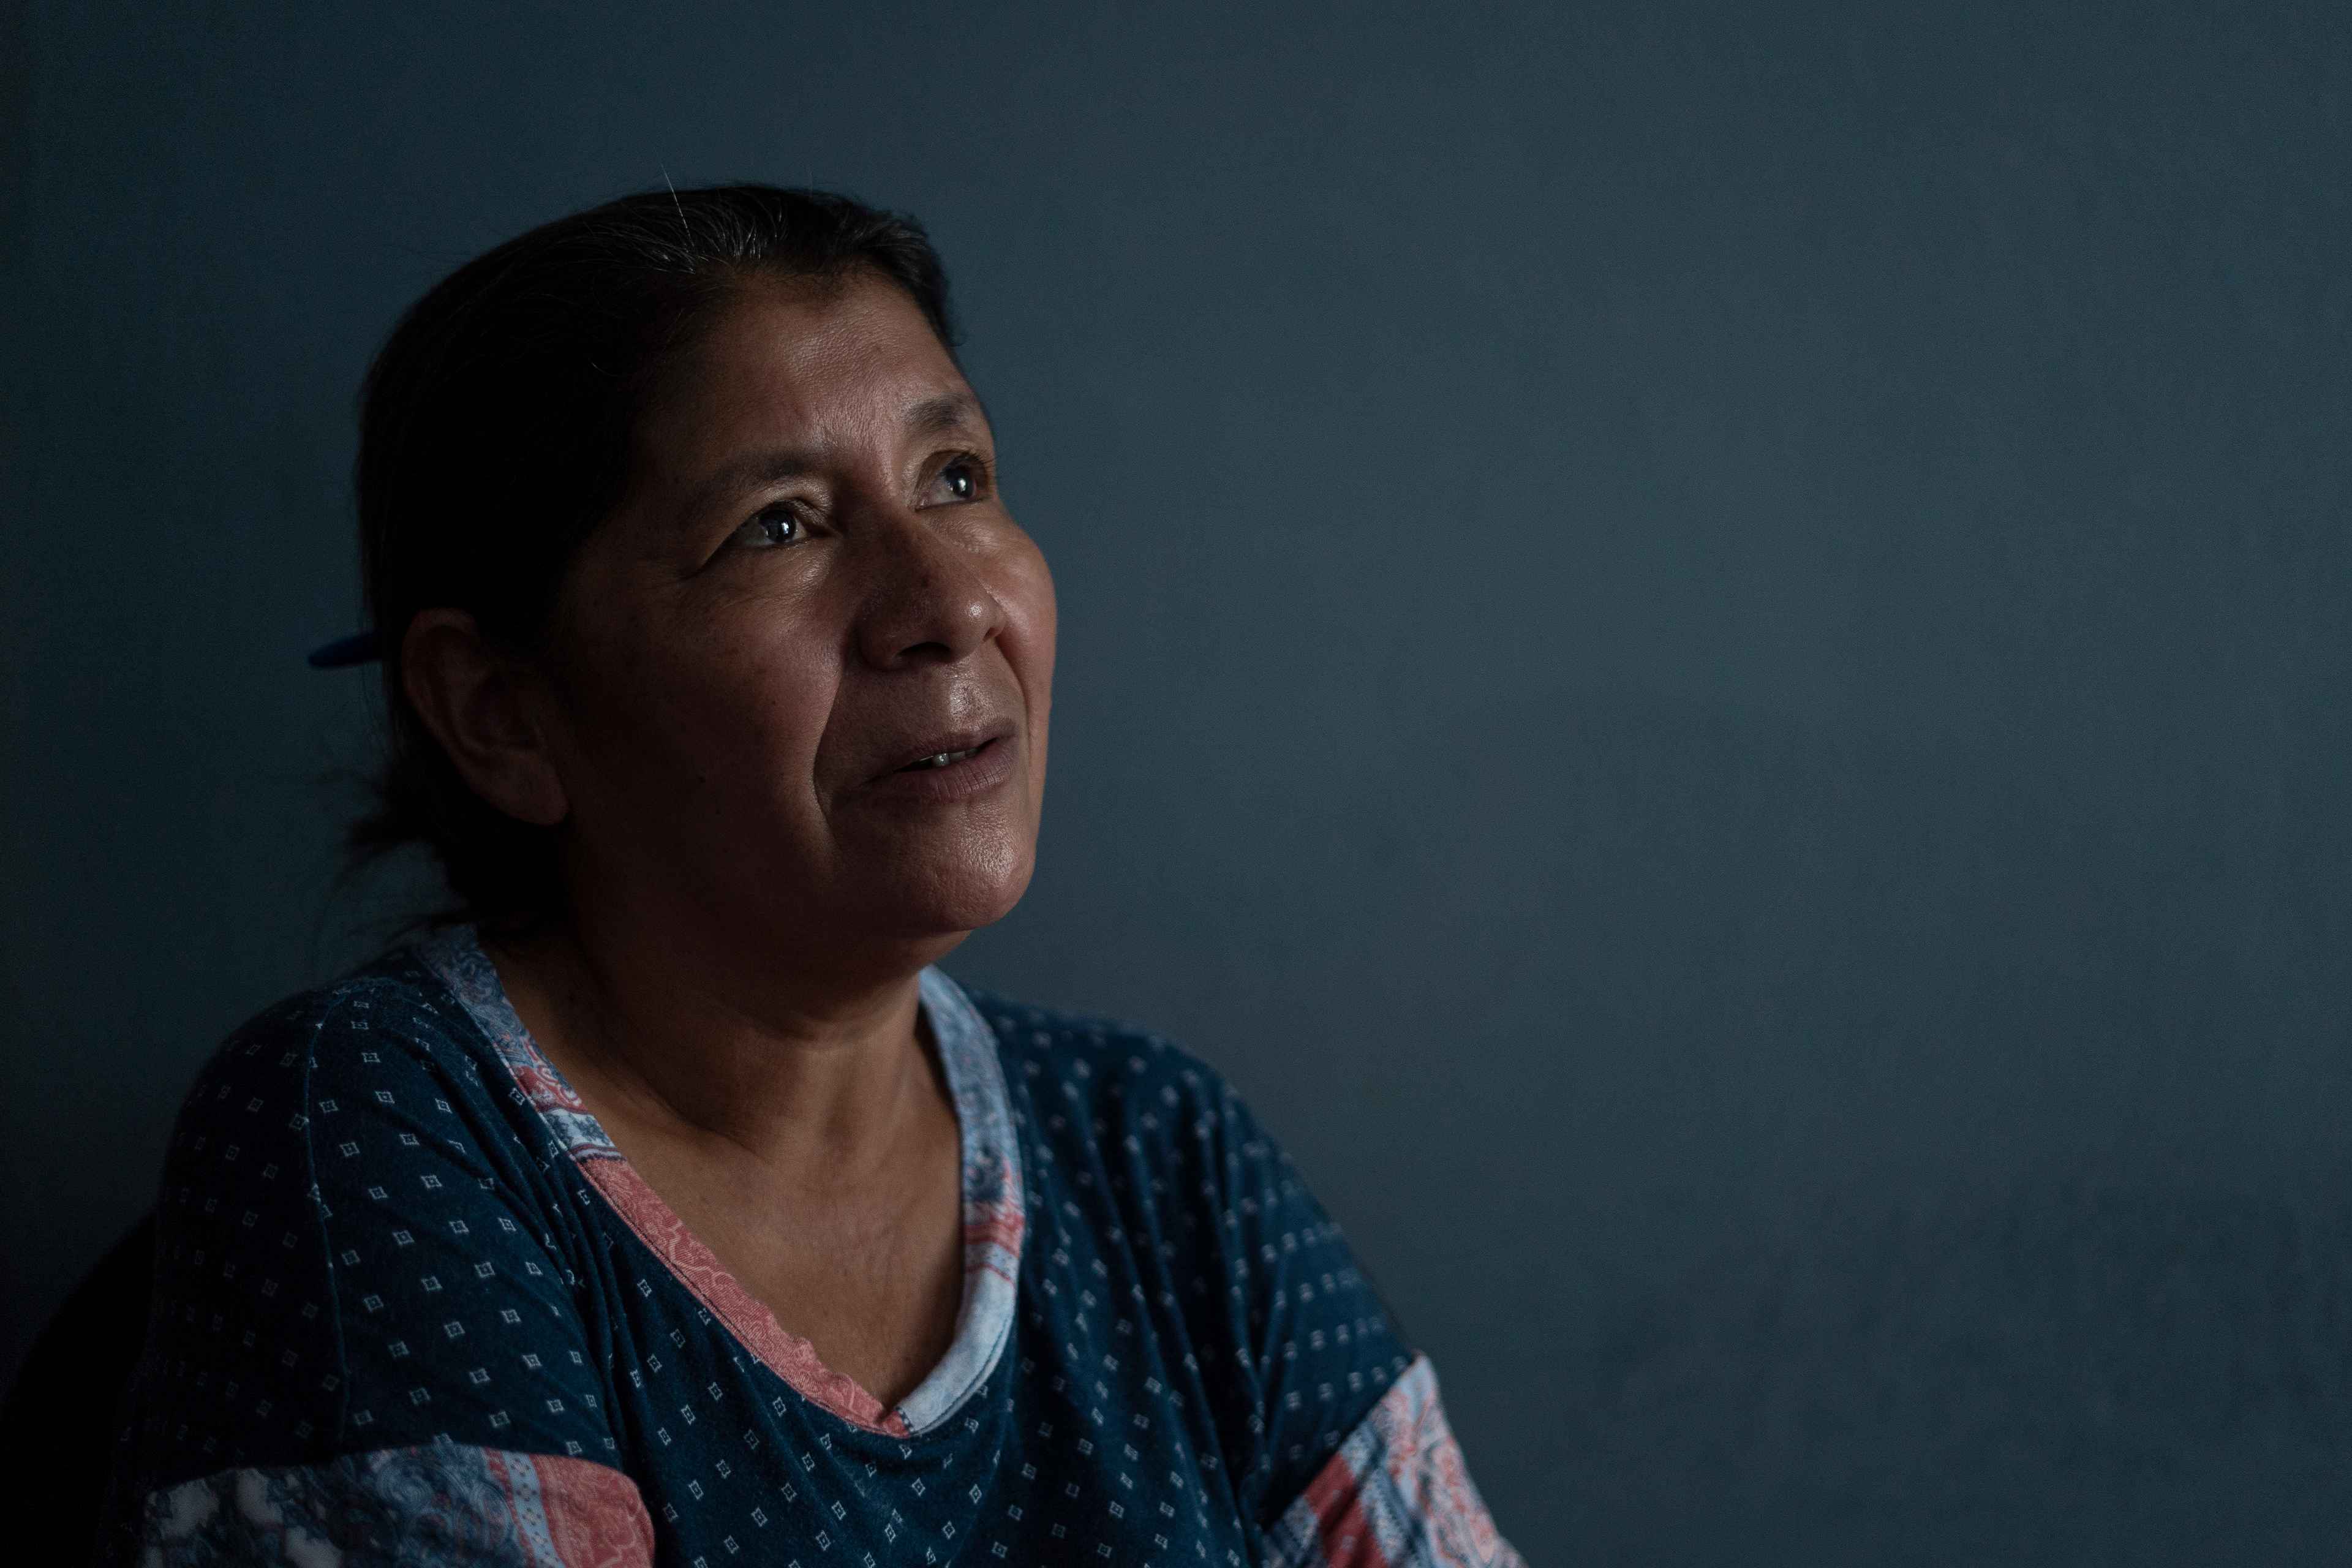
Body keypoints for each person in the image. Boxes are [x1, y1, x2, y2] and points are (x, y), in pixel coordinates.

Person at [96, 184, 1523, 1567]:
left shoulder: (1157, 1152)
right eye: (778, 523)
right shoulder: (377, 1128)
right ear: (501, 713)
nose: (949, 602)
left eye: (954, 477)